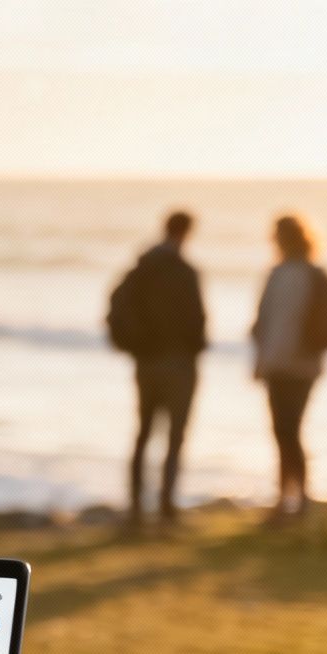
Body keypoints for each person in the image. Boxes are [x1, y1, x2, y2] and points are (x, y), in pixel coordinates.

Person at [106, 210, 208, 528]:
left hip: (146, 361)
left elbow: (116, 303)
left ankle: (137, 507)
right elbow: (196, 318)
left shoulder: (143, 266)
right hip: (177, 362)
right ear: (187, 233)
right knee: (174, 436)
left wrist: (134, 344)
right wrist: (195, 346)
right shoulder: (183, 271)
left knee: (143, 433)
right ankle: (166, 506)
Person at [250, 213, 327, 521]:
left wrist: (316, 343)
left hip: (301, 365)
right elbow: (263, 322)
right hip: (277, 364)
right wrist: (260, 358)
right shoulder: (278, 274)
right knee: (282, 430)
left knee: (289, 429)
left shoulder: (313, 275)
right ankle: (287, 498)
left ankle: (298, 499)